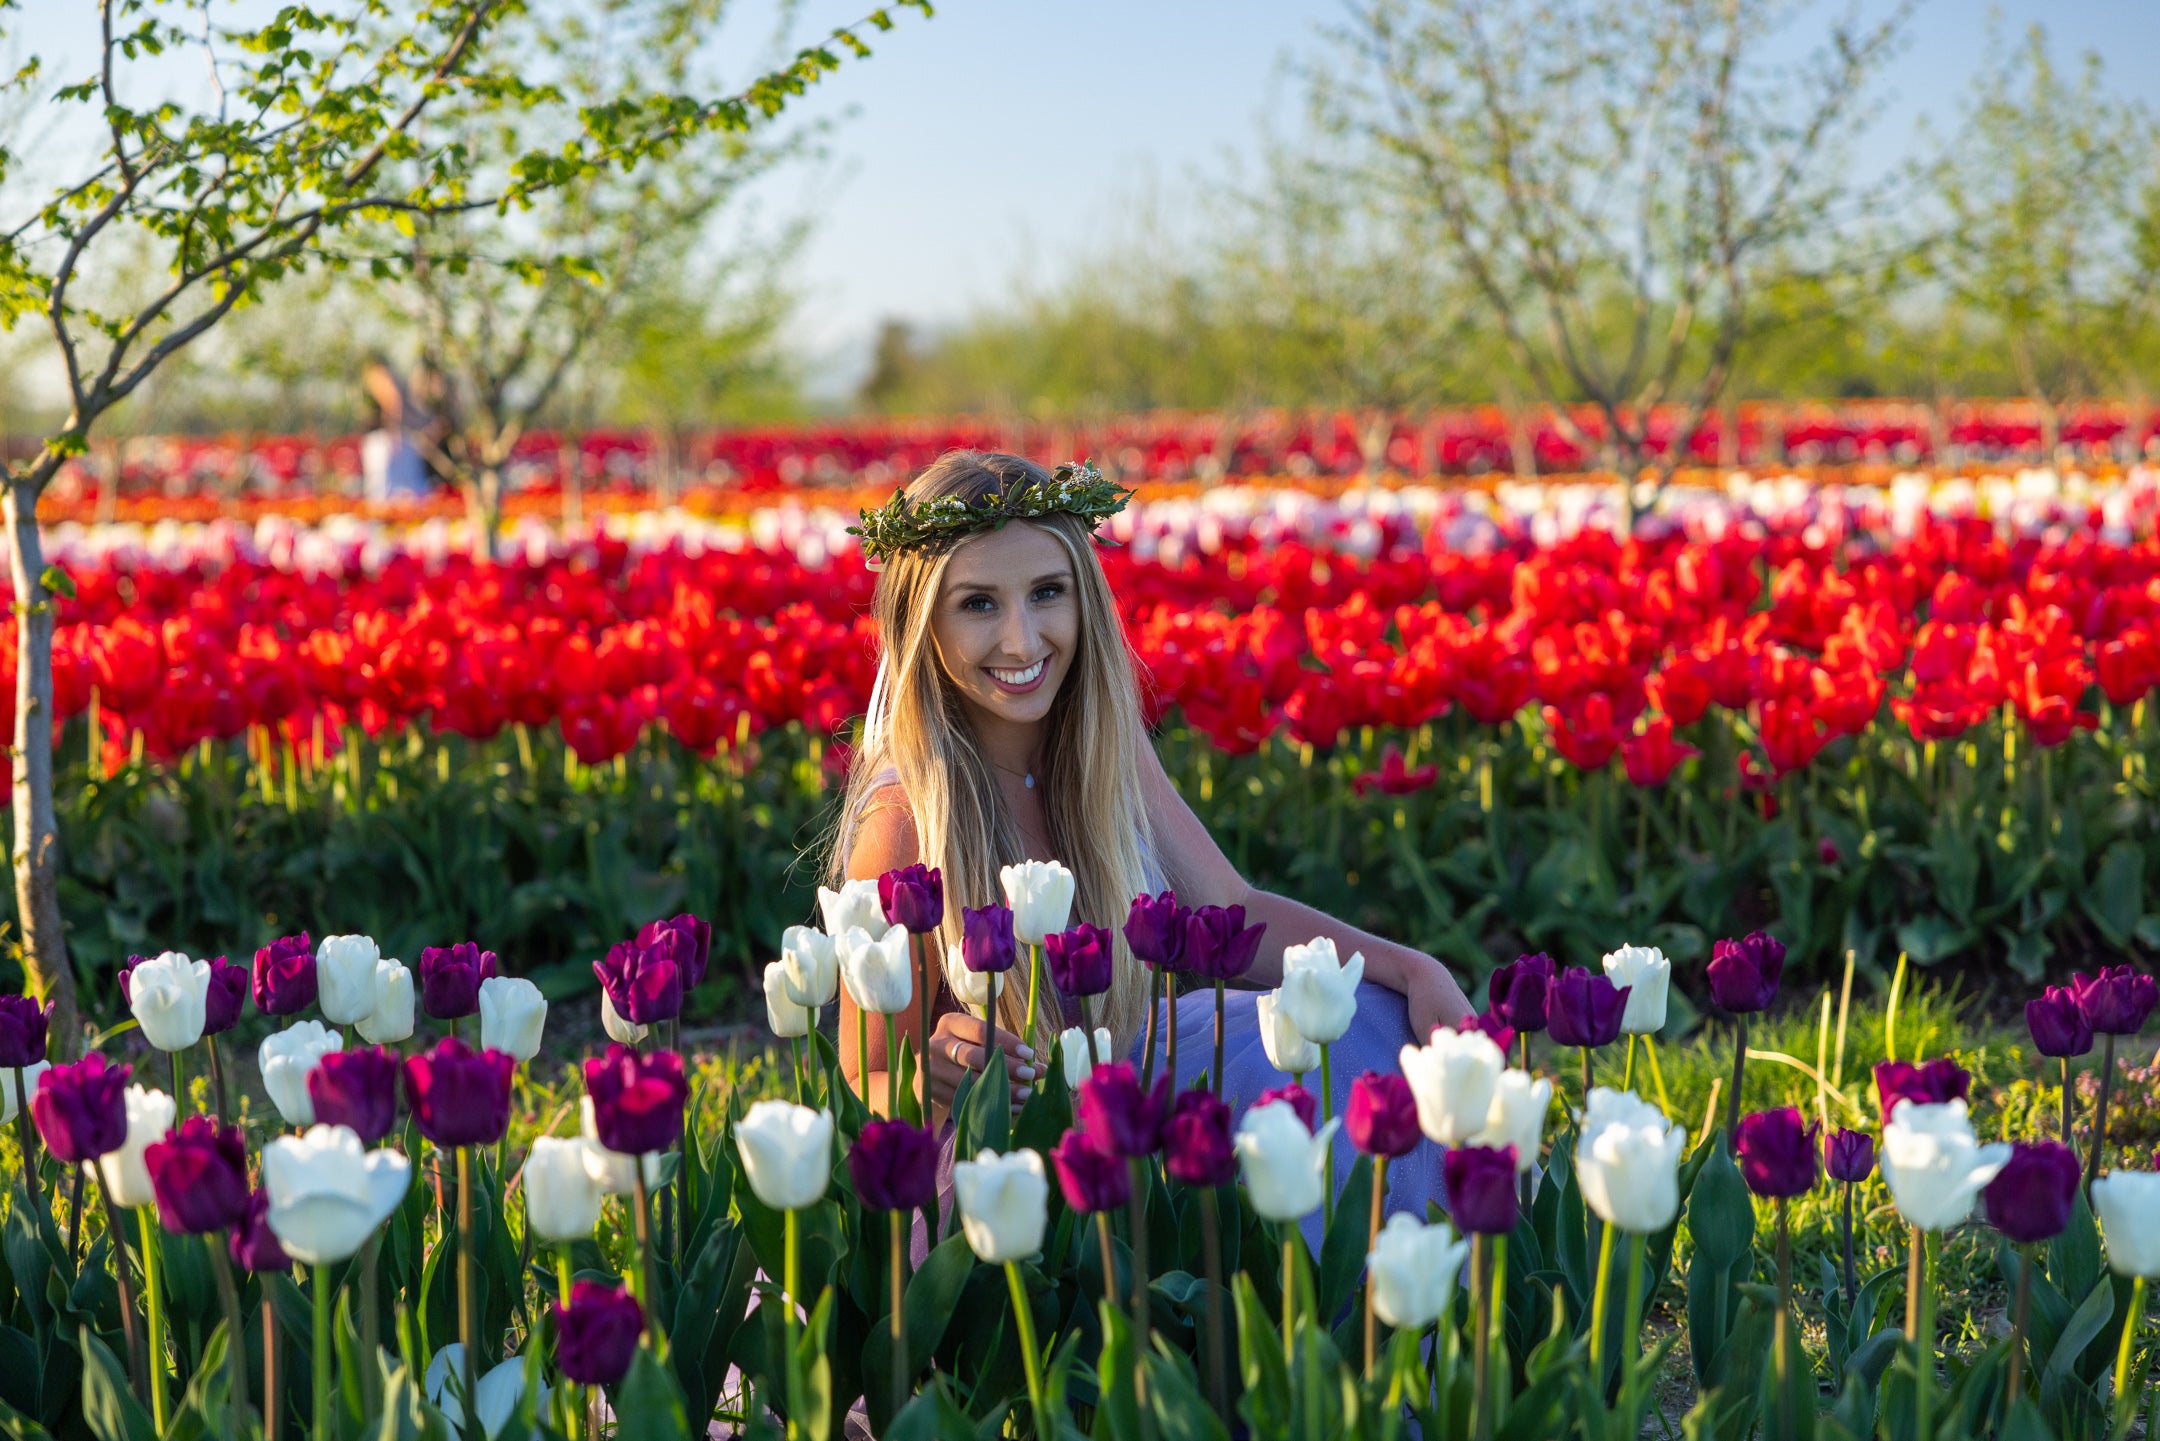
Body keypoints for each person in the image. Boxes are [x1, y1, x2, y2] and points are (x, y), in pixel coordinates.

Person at [829, 450, 1473, 1255]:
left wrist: (1408, 965)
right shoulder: (904, 814)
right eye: (978, 603)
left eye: (1047, 593)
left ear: (1085, 601)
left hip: (1126, 1078)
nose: (1021, 637)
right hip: (1013, 1143)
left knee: (1367, 1019)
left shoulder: (1104, 748)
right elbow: (865, 1077)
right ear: (921, 623)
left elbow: (1231, 912)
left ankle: (1360, 1308)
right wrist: (931, 1076)